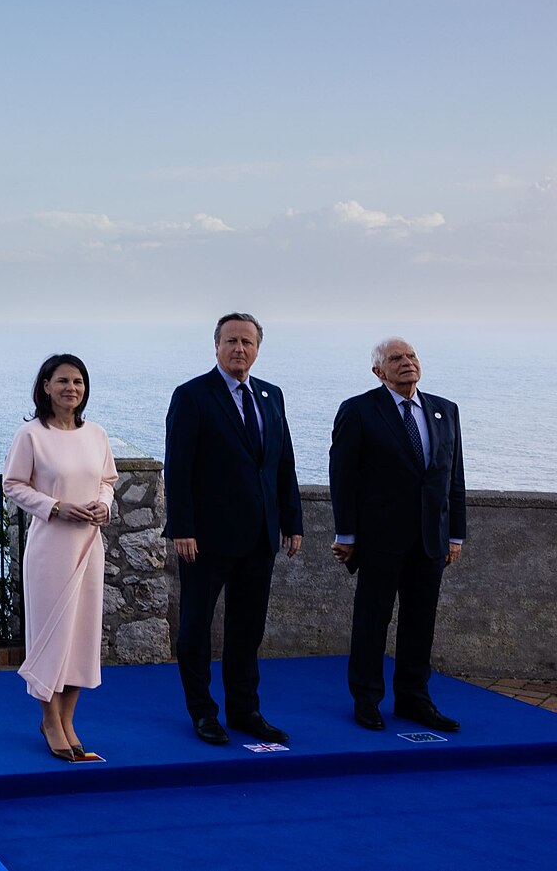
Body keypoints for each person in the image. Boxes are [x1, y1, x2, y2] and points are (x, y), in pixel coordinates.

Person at [163, 312, 304, 745]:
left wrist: (291, 521)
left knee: (247, 629)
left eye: (247, 342)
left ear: (257, 349)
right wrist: (182, 528)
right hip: (205, 539)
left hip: (259, 536)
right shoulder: (192, 396)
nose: (239, 348)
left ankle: (245, 710)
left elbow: (282, 463)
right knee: (195, 629)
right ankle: (203, 713)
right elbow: (178, 467)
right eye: (231, 341)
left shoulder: (271, 395)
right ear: (217, 346)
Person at [329, 338, 466, 733]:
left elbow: (453, 477)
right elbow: (343, 475)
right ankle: (367, 700)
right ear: (379, 371)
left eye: (411, 356)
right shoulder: (358, 411)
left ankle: (413, 699)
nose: (407, 363)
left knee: (420, 623)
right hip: (379, 540)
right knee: (372, 622)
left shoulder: (445, 410)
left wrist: (456, 535)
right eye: (396, 358)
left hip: (430, 539)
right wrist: (346, 534)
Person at [1, 354, 116, 761]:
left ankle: (68, 719)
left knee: (81, 635)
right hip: (50, 548)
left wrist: (104, 505)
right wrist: (55, 507)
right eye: (63, 381)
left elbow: (107, 481)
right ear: (46, 387)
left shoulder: (97, 434)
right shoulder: (31, 435)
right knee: (51, 636)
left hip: (88, 545)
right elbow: (13, 484)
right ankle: (49, 719)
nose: (71, 388)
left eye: (78, 381)